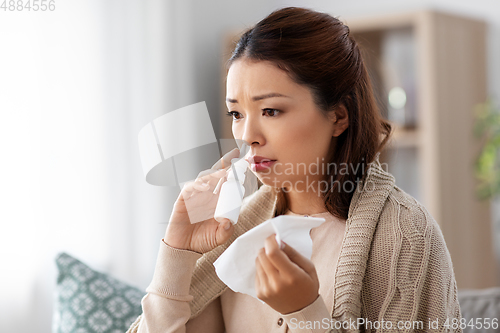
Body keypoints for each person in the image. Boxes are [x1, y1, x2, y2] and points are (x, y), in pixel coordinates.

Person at [128, 7, 461, 333]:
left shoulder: (405, 233)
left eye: (271, 111)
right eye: (237, 114)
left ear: (339, 116)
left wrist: (305, 312)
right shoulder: (231, 231)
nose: (247, 136)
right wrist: (177, 253)